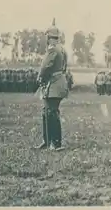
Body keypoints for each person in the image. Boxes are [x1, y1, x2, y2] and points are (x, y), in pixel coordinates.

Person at [35, 18, 69, 151]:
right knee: (47, 112)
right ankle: (48, 141)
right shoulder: (61, 49)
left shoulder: (53, 50)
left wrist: (40, 78)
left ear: (49, 37)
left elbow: (45, 67)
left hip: (53, 84)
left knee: (51, 112)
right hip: (57, 83)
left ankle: (55, 143)